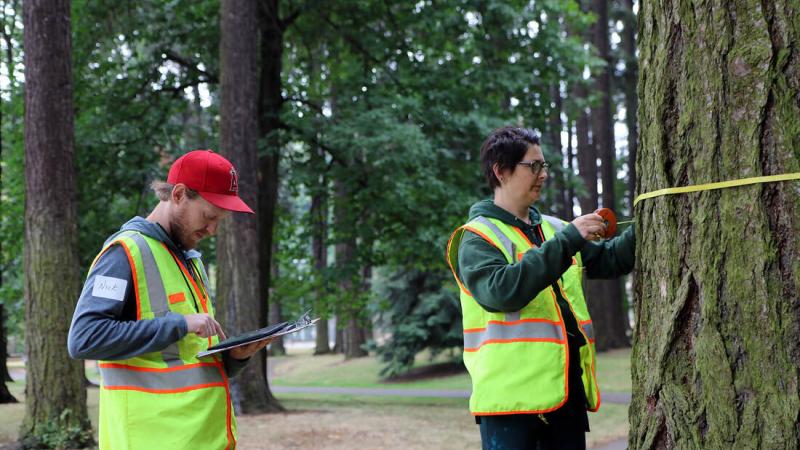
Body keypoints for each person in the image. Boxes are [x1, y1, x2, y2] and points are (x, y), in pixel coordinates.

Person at [445, 127, 635, 450]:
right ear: (501, 171)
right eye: (533, 166)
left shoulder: (554, 228)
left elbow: (611, 260)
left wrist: (657, 214)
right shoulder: (476, 237)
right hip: (510, 408)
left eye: (544, 166)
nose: (543, 174)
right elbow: (502, 291)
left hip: (564, 396)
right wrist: (569, 240)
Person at [68, 149, 267, 450]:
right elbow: (84, 338)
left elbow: (184, 359)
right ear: (179, 194)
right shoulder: (124, 254)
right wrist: (180, 323)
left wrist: (234, 358)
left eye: (219, 221)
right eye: (209, 216)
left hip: (200, 438)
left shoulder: (190, 261)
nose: (213, 230)